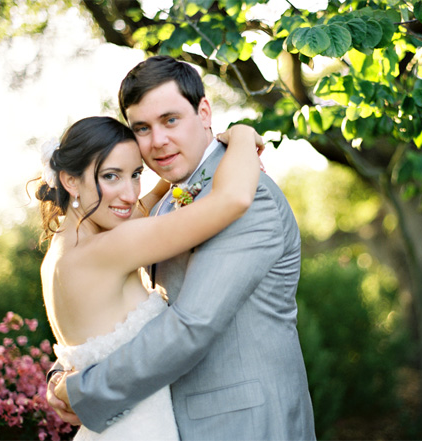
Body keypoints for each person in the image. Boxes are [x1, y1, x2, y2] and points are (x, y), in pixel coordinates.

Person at [48, 55, 316, 440]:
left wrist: (82, 389)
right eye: (142, 127)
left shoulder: (247, 193)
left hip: (241, 426)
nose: (157, 141)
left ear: (204, 111)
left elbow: (192, 325)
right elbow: (113, 312)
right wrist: (68, 369)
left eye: (170, 120)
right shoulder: (163, 203)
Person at [37, 115, 262, 440]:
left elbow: (138, 208)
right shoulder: (109, 248)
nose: (129, 194)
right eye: (111, 176)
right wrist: (243, 136)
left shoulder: (63, 252)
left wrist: (163, 182)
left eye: (136, 174)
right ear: (70, 180)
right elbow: (234, 199)